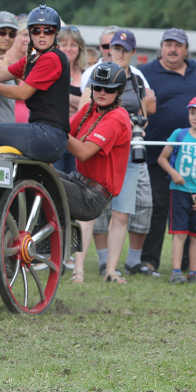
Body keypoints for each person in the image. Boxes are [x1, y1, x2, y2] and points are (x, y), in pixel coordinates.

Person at [139, 28, 196, 274]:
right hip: (159, 153)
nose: (173, 49)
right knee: (158, 207)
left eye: (178, 45)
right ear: (161, 47)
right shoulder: (147, 73)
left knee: (192, 209)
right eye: (168, 44)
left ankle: (186, 267)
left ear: (186, 49)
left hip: (195, 159)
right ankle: (150, 261)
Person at [83, 31, 156, 279]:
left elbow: (145, 114)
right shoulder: (98, 72)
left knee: (122, 212)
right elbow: (85, 112)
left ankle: (111, 270)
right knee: (89, 209)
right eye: (116, 47)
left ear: (133, 53)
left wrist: (137, 126)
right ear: (109, 49)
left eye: (125, 49)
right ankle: (79, 270)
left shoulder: (137, 79)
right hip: (98, 149)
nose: (120, 53)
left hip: (128, 150)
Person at [59, 62, 132, 284]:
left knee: (43, 179)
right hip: (79, 181)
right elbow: (65, 133)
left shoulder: (117, 118)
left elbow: (82, 152)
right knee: (35, 172)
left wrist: (53, 126)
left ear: (118, 92)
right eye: (97, 87)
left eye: (108, 89)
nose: (101, 93)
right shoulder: (90, 109)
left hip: (93, 196)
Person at [0, 5, 69, 163]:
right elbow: (0, 73)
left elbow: (22, 93)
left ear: (57, 33)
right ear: (31, 33)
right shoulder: (33, 58)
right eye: (36, 30)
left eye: (48, 30)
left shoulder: (51, 57)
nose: (42, 35)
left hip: (46, 135)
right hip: (45, 135)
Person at [157, 96, 196, 284]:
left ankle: (194, 273)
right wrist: (173, 173)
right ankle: (176, 271)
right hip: (179, 192)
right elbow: (162, 158)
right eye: (192, 113)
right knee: (180, 233)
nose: (194, 118)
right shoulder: (179, 134)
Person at [53, 25, 87, 173]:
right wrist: (79, 102)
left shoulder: (87, 74)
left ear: (80, 48)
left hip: (79, 138)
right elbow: (52, 103)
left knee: (77, 183)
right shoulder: (51, 71)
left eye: (73, 44)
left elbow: (90, 107)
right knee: (57, 181)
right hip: (56, 135)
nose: (68, 48)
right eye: (64, 44)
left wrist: (68, 99)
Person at [80, 26, 119, 90]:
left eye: (115, 47)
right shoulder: (89, 74)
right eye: (106, 46)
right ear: (100, 47)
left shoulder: (136, 75)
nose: (110, 51)